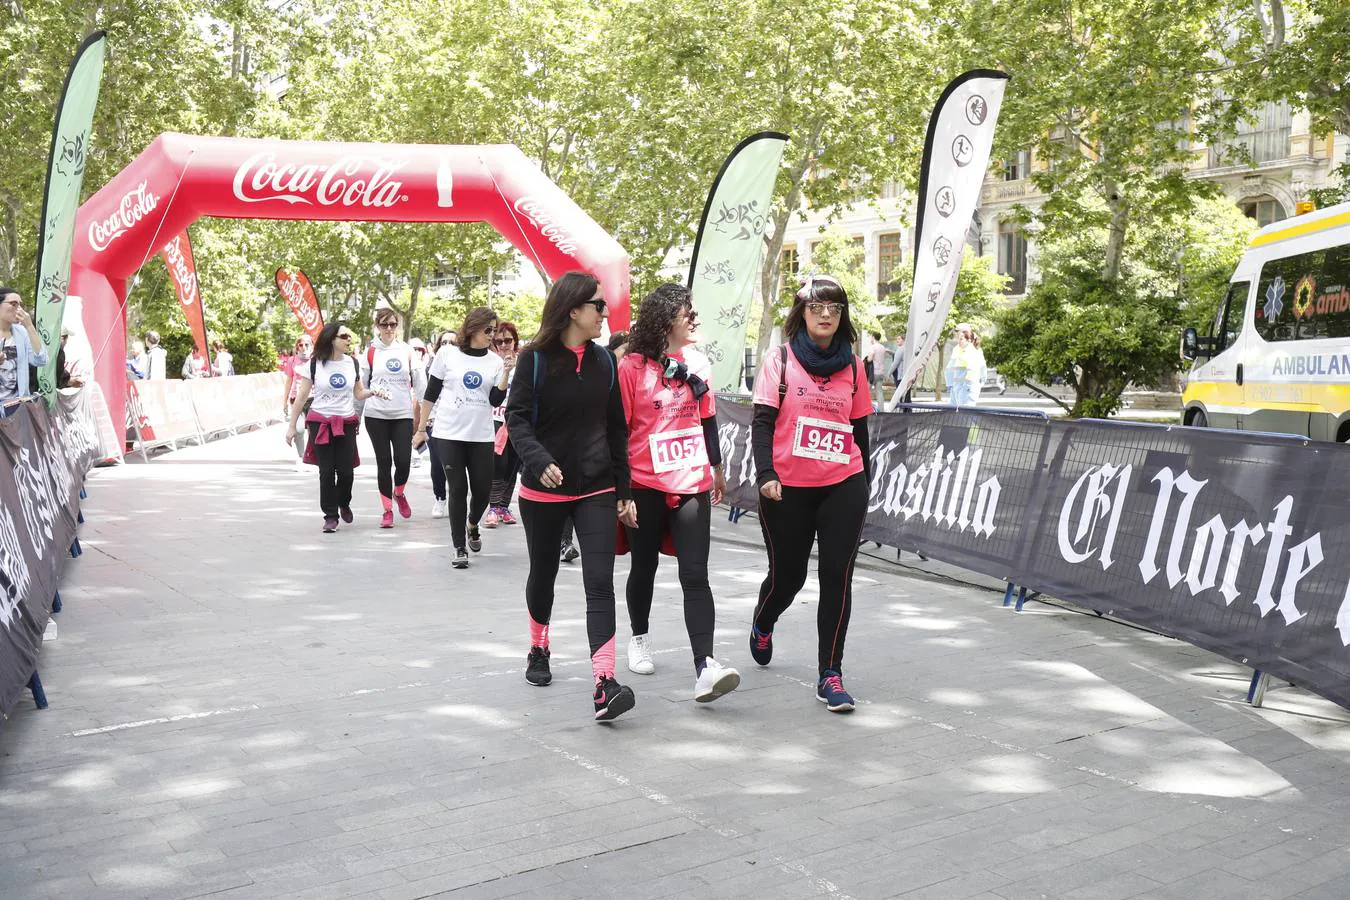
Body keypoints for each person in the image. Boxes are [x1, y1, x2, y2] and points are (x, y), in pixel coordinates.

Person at [505, 271, 637, 722]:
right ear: (574, 309)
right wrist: (538, 460)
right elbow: (517, 420)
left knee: (599, 582)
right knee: (543, 573)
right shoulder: (534, 359)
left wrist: (624, 488)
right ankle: (539, 646)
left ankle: (604, 682)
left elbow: (617, 426)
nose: (605, 313)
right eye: (599, 306)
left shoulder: (605, 361)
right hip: (542, 490)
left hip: (597, 487)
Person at [749, 274, 872, 713]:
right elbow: (762, 423)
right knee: (790, 576)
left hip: (843, 483)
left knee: (837, 577)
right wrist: (766, 473)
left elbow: (859, 430)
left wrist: (866, 484)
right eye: (817, 307)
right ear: (802, 313)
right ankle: (765, 620)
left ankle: (830, 673)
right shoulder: (779, 361)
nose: (825, 315)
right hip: (786, 488)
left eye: (834, 309)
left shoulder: (854, 366)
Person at [618, 284, 740, 702]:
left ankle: (704, 666)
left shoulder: (700, 363)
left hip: (692, 481)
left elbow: (708, 421)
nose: (695, 318)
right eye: (687, 312)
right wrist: (622, 491)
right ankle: (639, 637)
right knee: (644, 566)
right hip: (644, 483)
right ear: (665, 318)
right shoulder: (632, 368)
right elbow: (618, 430)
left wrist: (717, 469)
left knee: (695, 573)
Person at [416, 309, 506, 568]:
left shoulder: (495, 361)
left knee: (482, 490)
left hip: (481, 435)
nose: (492, 335)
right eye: (488, 330)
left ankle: (472, 524)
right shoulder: (447, 354)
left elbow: (495, 401)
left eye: (495, 330)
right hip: (448, 433)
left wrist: (506, 375)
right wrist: (422, 428)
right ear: (473, 328)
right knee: (457, 488)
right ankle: (458, 547)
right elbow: (431, 393)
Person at [285, 323, 388, 532]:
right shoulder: (314, 364)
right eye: (344, 336)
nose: (348, 340)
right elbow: (302, 397)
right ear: (331, 339)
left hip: (346, 422)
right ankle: (330, 516)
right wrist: (291, 426)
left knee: (346, 471)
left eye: (349, 336)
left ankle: (344, 502)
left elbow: (358, 393)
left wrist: (373, 392)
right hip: (320, 422)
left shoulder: (352, 363)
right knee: (326, 471)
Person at [362, 309, 426, 528]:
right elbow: (360, 387)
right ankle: (387, 510)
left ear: (397, 326)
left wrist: (426, 416)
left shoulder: (408, 351)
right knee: (383, 462)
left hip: (402, 414)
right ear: (377, 327)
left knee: (403, 461)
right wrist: (354, 415)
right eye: (384, 324)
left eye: (392, 324)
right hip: (375, 415)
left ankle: (399, 492)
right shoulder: (370, 352)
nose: (389, 329)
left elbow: (421, 385)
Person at [485, 321, 522, 528]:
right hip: (495, 420)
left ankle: (504, 506)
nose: (503, 345)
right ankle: (493, 507)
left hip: (517, 422)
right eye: (498, 341)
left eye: (508, 340)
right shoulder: (490, 363)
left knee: (512, 465)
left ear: (515, 341)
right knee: (498, 465)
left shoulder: (524, 361)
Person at [425, 330, 457, 518]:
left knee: (454, 465)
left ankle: (456, 499)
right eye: (444, 342)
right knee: (438, 463)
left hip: (456, 423)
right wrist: (424, 422)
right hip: (435, 422)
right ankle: (440, 497)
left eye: (452, 343)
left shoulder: (463, 366)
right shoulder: (432, 367)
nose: (447, 346)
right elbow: (427, 395)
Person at [0, 287, 48, 405]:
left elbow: (40, 360)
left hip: (17, 406)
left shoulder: (21, 332)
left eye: (20, 305)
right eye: (13, 304)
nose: (19, 309)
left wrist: (29, 326)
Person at [282, 335, 313, 473]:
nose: (304, 347)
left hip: (313, 398)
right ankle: (301, 458)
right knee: (299, 429)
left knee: (314, 431)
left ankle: (312, 458)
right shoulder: (292, 361)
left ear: (311, 346)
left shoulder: (316, 361)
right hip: (296, 398)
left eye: (307, 344)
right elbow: (289, 381)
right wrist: (284, 401)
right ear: (297, 347)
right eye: (301, 345)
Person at [944, 323, 979, 406]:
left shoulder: (971, 350)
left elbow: (972, 372)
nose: (955, 334)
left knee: (967, 415)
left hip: (966, 390)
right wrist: (950, 385)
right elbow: (951, 369)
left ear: (963, 333)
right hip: (956, 389)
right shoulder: (956, 349)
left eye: (957, 331)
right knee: (955, 416)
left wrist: (967, 388)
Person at [968, 328, 988, 405]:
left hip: (970, 383)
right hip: (974, 383)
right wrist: (982, 381)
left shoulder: (971, 351)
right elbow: (983, 366)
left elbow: (982, 366)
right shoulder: (978, 351)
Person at [868, 330, 888, 407]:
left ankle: (867, 408)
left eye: (871, 337)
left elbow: (870, 358)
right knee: (879, 392)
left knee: (866, 391)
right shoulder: (882, 347)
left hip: (873, 373)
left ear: (873, 337)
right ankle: (881, 409)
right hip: (881, 372)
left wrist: (868, 359)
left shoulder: (873, 347)